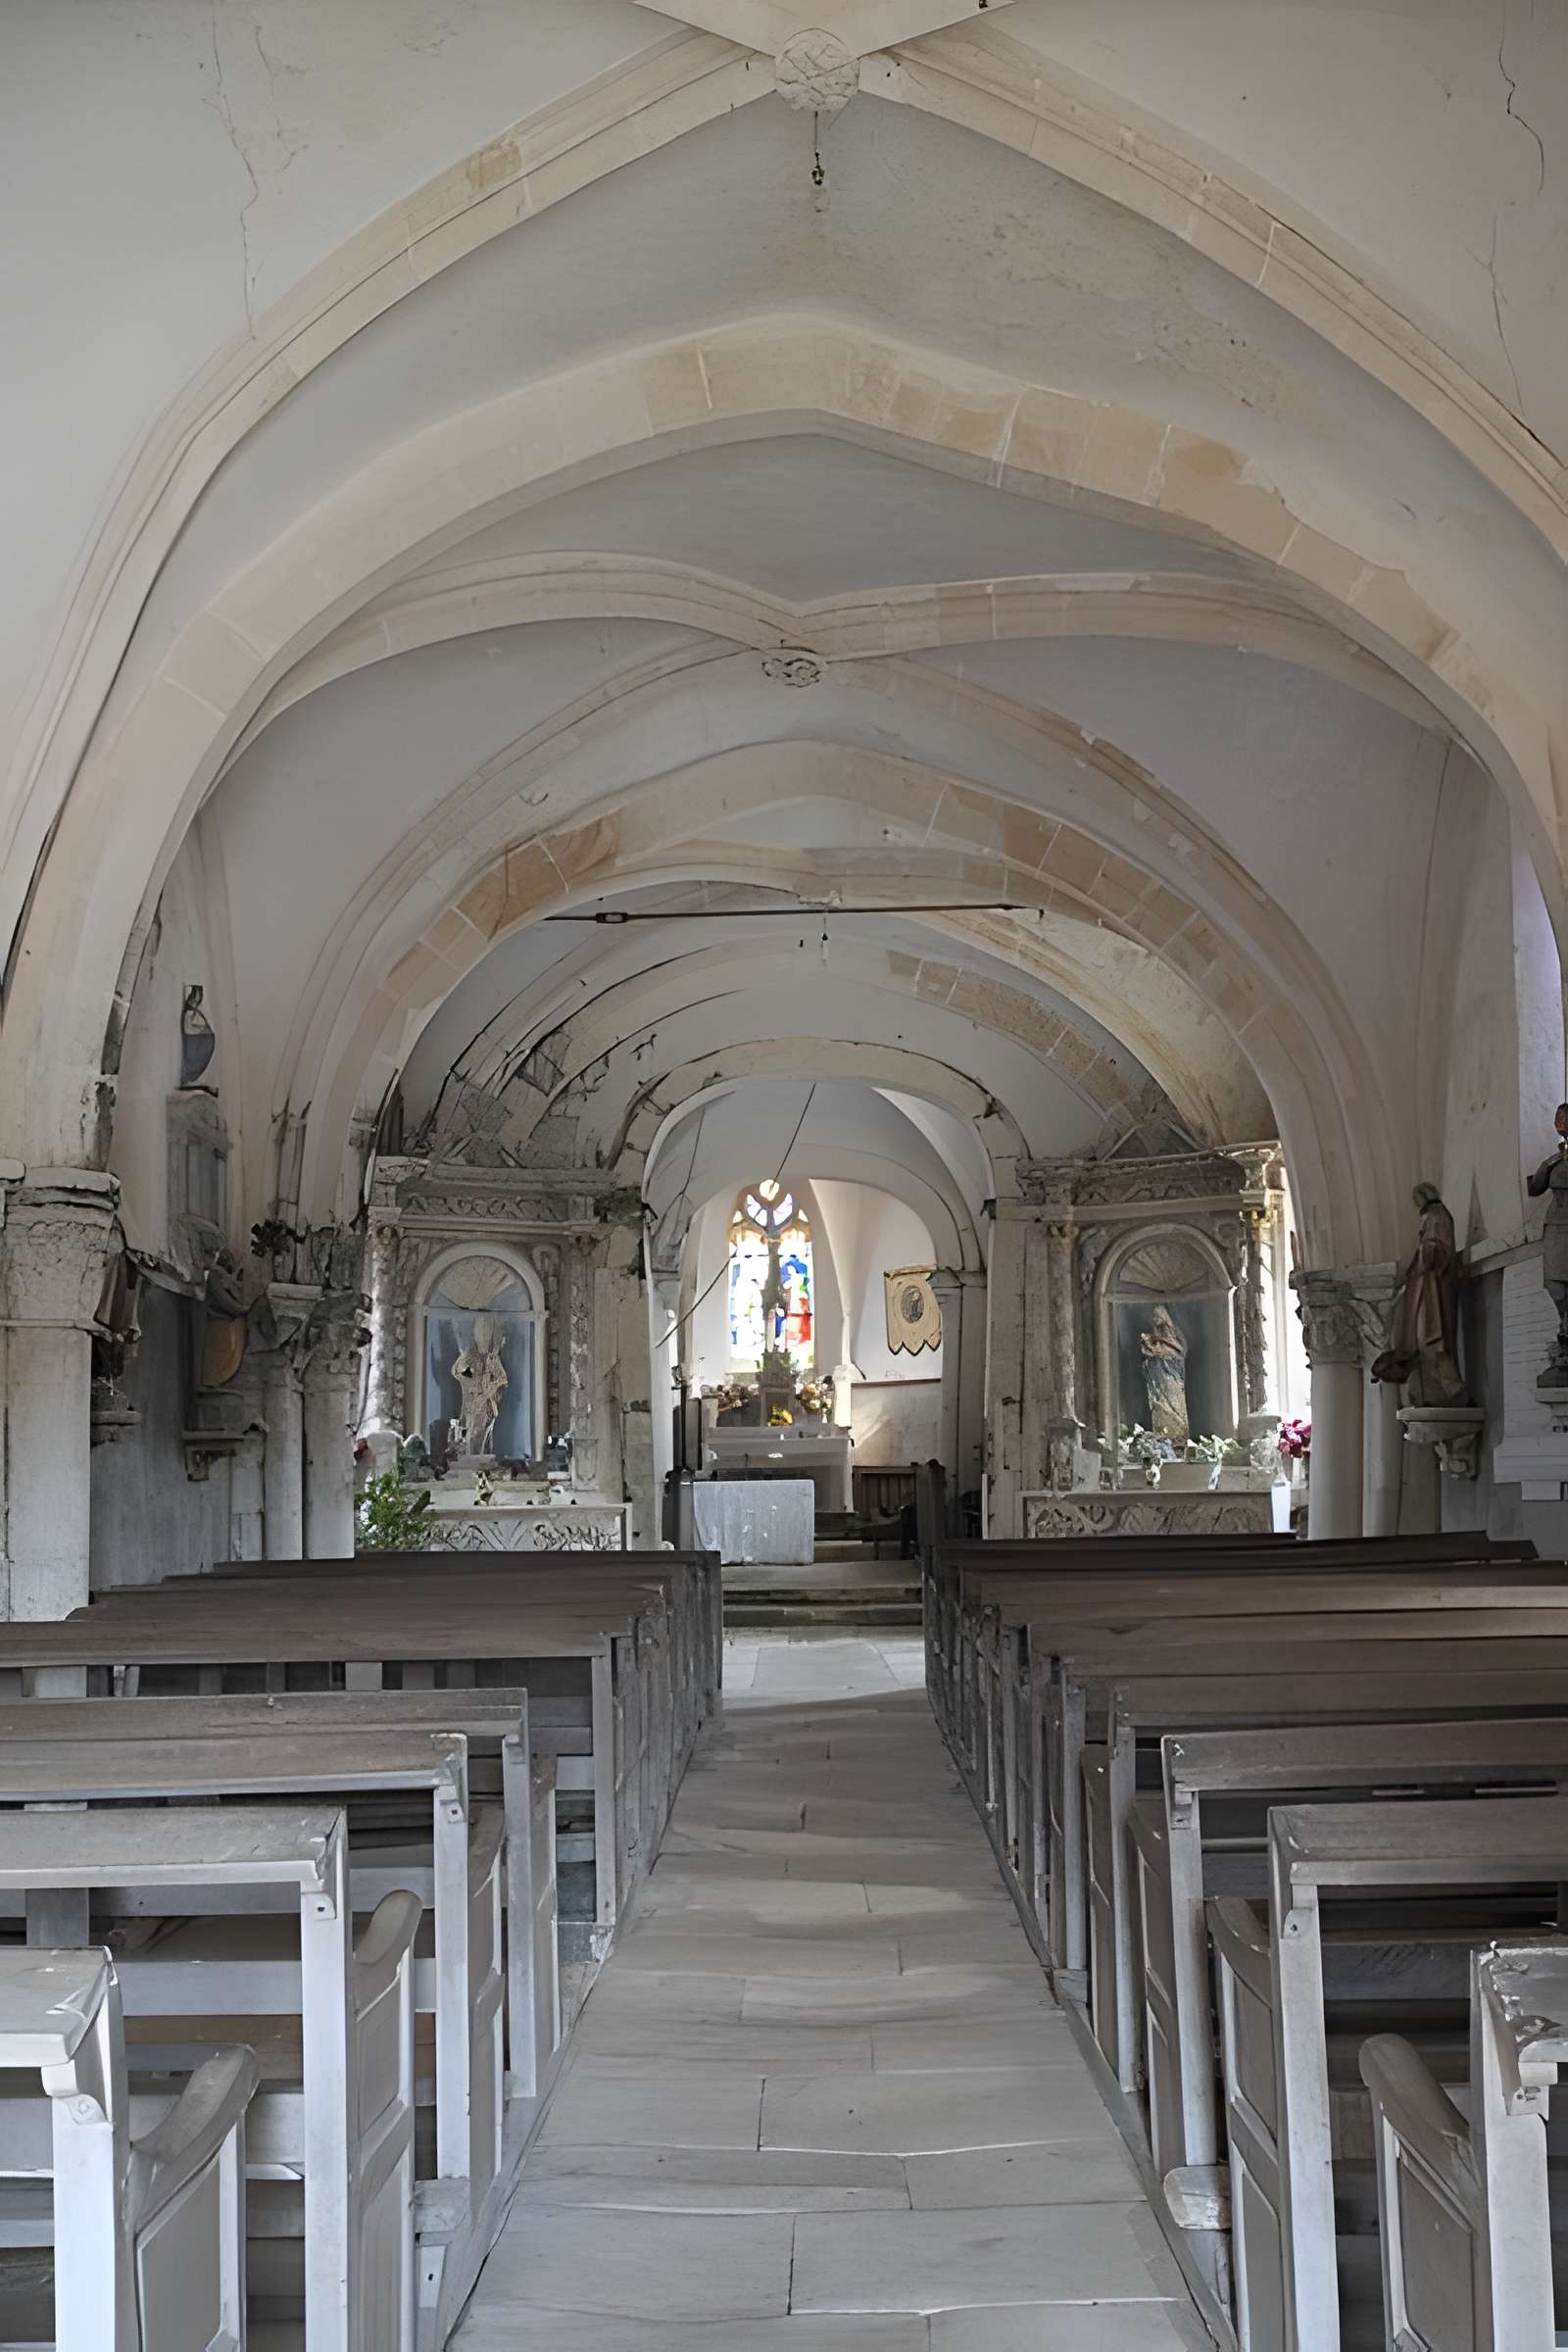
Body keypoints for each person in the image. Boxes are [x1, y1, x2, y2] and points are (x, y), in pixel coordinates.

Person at [1370, 1182, 1465, 1404]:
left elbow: (1441, 1250)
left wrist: (1424, 1253)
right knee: (1424, 1339)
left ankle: (1448, 1391)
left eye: (1417, 1200)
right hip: (1426, 1287)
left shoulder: (1437, 1216)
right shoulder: (1431, 1217)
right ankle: (1433, 1391)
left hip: (1434, 1289)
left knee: (1432, 1339)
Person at [1527, 1104, 1568, 1383]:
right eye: (1558, 1118)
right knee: (1554, 1282)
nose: (1560, 1123)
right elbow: (1535, 1188)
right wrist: (1550, 1162)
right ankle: (1564, 1333)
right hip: (1555, 1225)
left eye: (1564, 1118)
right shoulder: (1557, 1159)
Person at [1140, 1304, 1190, 1446]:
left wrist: (1160, 1350)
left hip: (1171, 1378)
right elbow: (1146, 1357)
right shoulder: (1152, 1336)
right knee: (1160, 1406)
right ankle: (1163, 1438)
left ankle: (1178, 1439)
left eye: (1157, 1316)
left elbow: (1178, 1352)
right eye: (1153, 1316)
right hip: (1157, 1379)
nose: (1155, 1319)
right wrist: (1149, 1350)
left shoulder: (1172, 1336)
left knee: (1174, 1407)